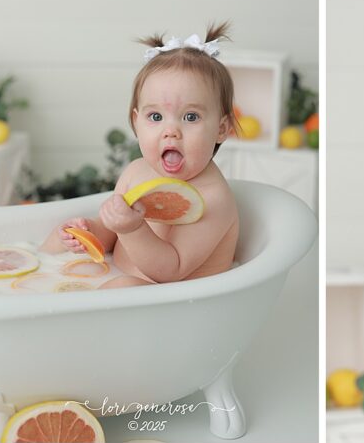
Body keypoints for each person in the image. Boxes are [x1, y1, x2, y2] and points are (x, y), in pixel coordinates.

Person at [41, 22, 240, 288]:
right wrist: (89, 232)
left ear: (221, 129)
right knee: (55, 241)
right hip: (120, 281)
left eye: (191, 117)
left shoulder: (214, 198)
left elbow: (172, 270)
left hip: (177, 302)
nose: (170, 131)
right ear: (136, 122)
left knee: (120, 287)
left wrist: (132, 228)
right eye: (155, 116)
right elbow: (111, 236)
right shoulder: (136, 172)